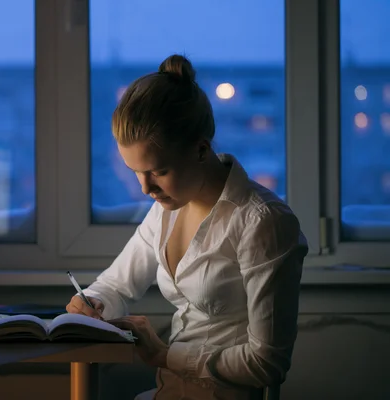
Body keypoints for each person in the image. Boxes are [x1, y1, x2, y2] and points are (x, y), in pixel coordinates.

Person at [65, 54, 308, 400]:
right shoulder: (166, 209)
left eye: (158, 171)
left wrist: (165, 355)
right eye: (136, 172)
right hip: (169, 390)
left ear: (201, 149)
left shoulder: (263, 222)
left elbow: (267, 362)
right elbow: (117, 286)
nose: (145, 188)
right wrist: (92, 303)